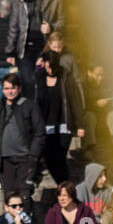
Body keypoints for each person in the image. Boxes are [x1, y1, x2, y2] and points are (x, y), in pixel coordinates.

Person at [0, 73, 46, 202]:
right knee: (9, 197)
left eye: (12, 88)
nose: (9, 91)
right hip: (5, 160)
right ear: (2, 90)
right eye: (6, 88)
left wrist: (33, 154)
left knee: (25, 194)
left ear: (19, 89)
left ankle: (27, 222)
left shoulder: (29, 105)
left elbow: (40, 132)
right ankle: (13, 222)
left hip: (25, 158)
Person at [6, 0, 63, 94]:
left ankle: (42, 112)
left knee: (44, 82)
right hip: (25, 48)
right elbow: (13, 26)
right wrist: (10, 52)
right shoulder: (20, 0)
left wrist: (51, 27)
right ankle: (30, 112)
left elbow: (62, 22)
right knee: (28, 81)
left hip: (45, 47)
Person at [33, 50, 84, 184]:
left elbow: (76, 102)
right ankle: (65, 186)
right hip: (45, 126)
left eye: (54, 66)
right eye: (49, 66)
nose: (51, 70)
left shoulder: (66, 78)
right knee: (49, 158)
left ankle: (64, 187)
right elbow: (33, 102)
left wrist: (80, 125)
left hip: (63, 125)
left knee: (60, 157)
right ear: (44, 64)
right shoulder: (38, 78)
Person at [82, 62, 113, 155]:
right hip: (90, 112)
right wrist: (95, 104)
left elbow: (112, 98)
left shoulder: (107, 83)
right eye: (97, 75)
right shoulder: (83, 85)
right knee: (89, 116)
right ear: (90, 73)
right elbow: (81, 105)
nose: (100, 78)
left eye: (102, 75)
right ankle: (90, 147)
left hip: (105, 112)